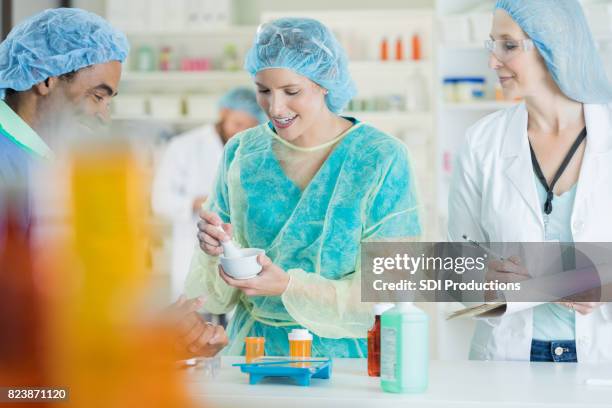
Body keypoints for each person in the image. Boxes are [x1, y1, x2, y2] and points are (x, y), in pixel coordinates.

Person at [185, 17, 421, 357]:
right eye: (263, 91)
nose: (275, 108)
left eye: (291, 91)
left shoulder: (380, 158)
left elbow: (393, 289)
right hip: (255, 354)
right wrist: (214, 252)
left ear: (326, 82)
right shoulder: (242, 153)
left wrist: (288, 286)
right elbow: (217, 296)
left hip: (346, 361)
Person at [0, 8, 227, 359]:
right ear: (45, 79)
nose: (104, 116)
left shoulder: (46, 162)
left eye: (109, 100)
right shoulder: (7, 165)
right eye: (97, 96)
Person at [448, 0, 612, 362]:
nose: (493, 61)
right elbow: (458, 264)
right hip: (506, 355)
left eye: (508, 45)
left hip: (603, 357)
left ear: (555, 45)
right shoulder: (482, 142)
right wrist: (484, 280)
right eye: (492, 45)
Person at [152, 87, 265, 300]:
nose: (239, 133)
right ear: (223, 113)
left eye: (249, 128)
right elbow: (160, 201)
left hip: (236, 256)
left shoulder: (253, 152)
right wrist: (198, 203)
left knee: (231, 325)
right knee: (195, 317)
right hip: (191, 250)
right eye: (238, 124)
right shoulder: (184, 146)